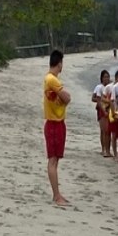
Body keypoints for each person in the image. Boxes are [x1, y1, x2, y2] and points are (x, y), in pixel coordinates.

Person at [44, 50, 71, 206]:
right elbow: (67, 98)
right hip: (53, 122)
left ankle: (57, 193)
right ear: (59, 63)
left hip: (57, 121)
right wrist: (65, 97)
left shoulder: (51, 80)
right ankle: (56, 195)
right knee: (53, 160)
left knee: (55, 159)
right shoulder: (52, 80)